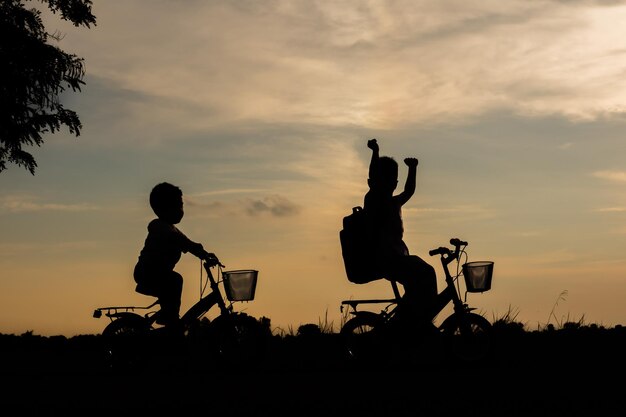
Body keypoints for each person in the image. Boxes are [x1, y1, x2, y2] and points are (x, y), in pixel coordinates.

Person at [363, 139, 438, 322]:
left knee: (422, 278)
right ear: (375, 181)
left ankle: (414, 318)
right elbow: (374, 176)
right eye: (387, 178)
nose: (392, 183)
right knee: (424, 274)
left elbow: (409, 190)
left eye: (394, 179)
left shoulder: (394, 201)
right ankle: (412, 320)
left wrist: (412, 169)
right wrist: (375, 152)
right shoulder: (374, 199)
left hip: (397, 256)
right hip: (385, 258)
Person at [133, 182, 215, 327]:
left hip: (159, 274)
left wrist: (203, 253)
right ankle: (170, 319)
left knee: (173, 282)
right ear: (163, 208)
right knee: (175, 280)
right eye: (177, 206)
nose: (181, 210)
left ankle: (169, 316)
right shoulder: (157, 225)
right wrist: (194, 248)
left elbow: (186, 241)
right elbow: (180, 240)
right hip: (147, 272)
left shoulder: (173, 229)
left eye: (181, 205)